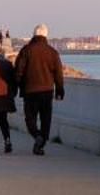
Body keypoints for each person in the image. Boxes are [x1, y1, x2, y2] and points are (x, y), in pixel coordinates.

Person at [13, 23, 66, 156]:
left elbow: (18, 71)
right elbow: (58, 74)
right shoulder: (52, 52)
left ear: (34, 34)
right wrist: (60, 90)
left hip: (30, 91)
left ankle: (37, 136)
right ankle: (40, 145)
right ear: (46, 35)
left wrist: (18, 85)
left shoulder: (26, 50)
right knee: (46, 119)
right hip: (47, 91)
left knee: (30, 119)